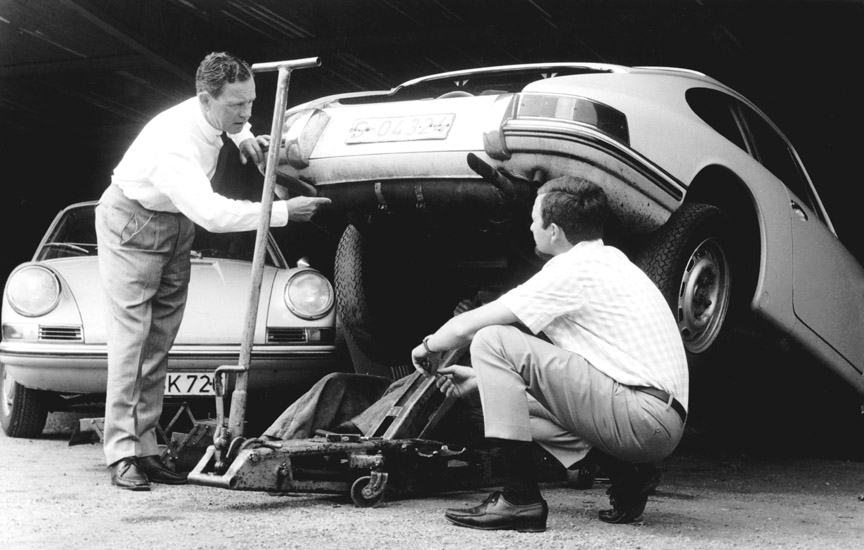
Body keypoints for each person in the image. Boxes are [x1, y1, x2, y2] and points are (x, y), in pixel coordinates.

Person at [95, 51, 330, 491]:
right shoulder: (173, 142)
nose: (246, 112)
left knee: (160, 338)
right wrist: (283, 211)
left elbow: (232, 129)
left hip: (173, 223)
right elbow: (213, 215)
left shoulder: (216, 115)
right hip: (134, 222)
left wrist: (246, 139)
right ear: (206, 98)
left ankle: (145, 449)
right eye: (236, 106)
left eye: (251, 102)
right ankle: (122, 453)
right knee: (133, 339)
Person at [411, 175, 688, 532]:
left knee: (492, 339)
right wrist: (482, 382)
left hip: (641, 416)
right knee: (512, 405)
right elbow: (575, 379)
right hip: (653, 420)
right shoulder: (609, 261)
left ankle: (519, 498)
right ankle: (626, 472)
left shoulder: (572, 270)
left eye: (532, 219)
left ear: (554, 230)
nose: (529, 226)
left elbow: (470, 325)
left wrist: (428, 346)